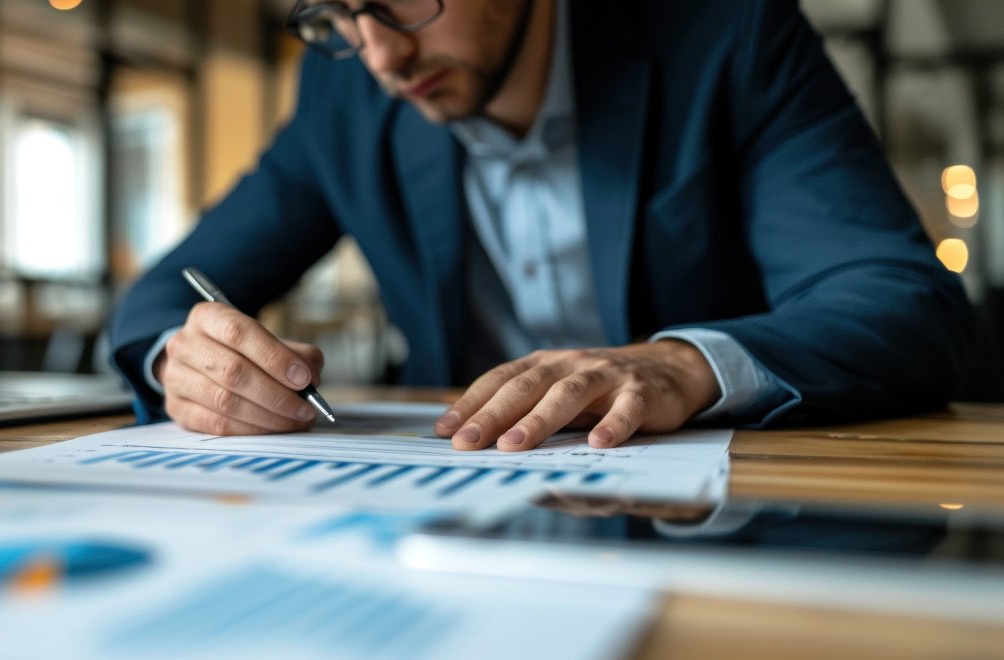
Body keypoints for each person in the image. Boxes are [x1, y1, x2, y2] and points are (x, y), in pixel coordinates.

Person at [109, 0, 973, 451]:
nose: (380, 54)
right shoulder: (342, 95)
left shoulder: (728, 35)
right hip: (452, 501)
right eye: (335, 14)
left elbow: (901, 299)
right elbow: (162, 297)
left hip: (721, 517)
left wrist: (679, 363)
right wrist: (184, 360)